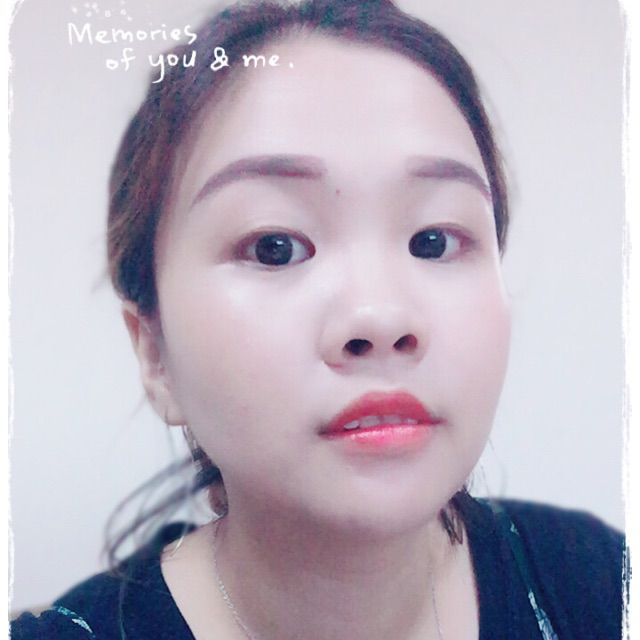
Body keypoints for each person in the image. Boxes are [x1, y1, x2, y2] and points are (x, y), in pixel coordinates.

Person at [11, 0, 624, 638]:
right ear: (155, 354)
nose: (380, 318)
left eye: (433, 241)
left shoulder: (600, 585)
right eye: (274, 247)